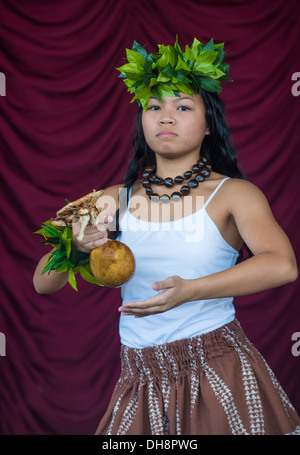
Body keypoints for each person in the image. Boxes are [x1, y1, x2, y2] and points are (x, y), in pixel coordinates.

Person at [33, 37, 300, 435]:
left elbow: (282, 265)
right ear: (142, 121)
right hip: (139, 376)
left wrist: (189, 290)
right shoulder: (111, 199)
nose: (166, 117)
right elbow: (42, 283)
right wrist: (75, 246)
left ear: (209, 123)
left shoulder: (235, 194)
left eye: (183, 107)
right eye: (154, 106)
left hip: (216, 367)